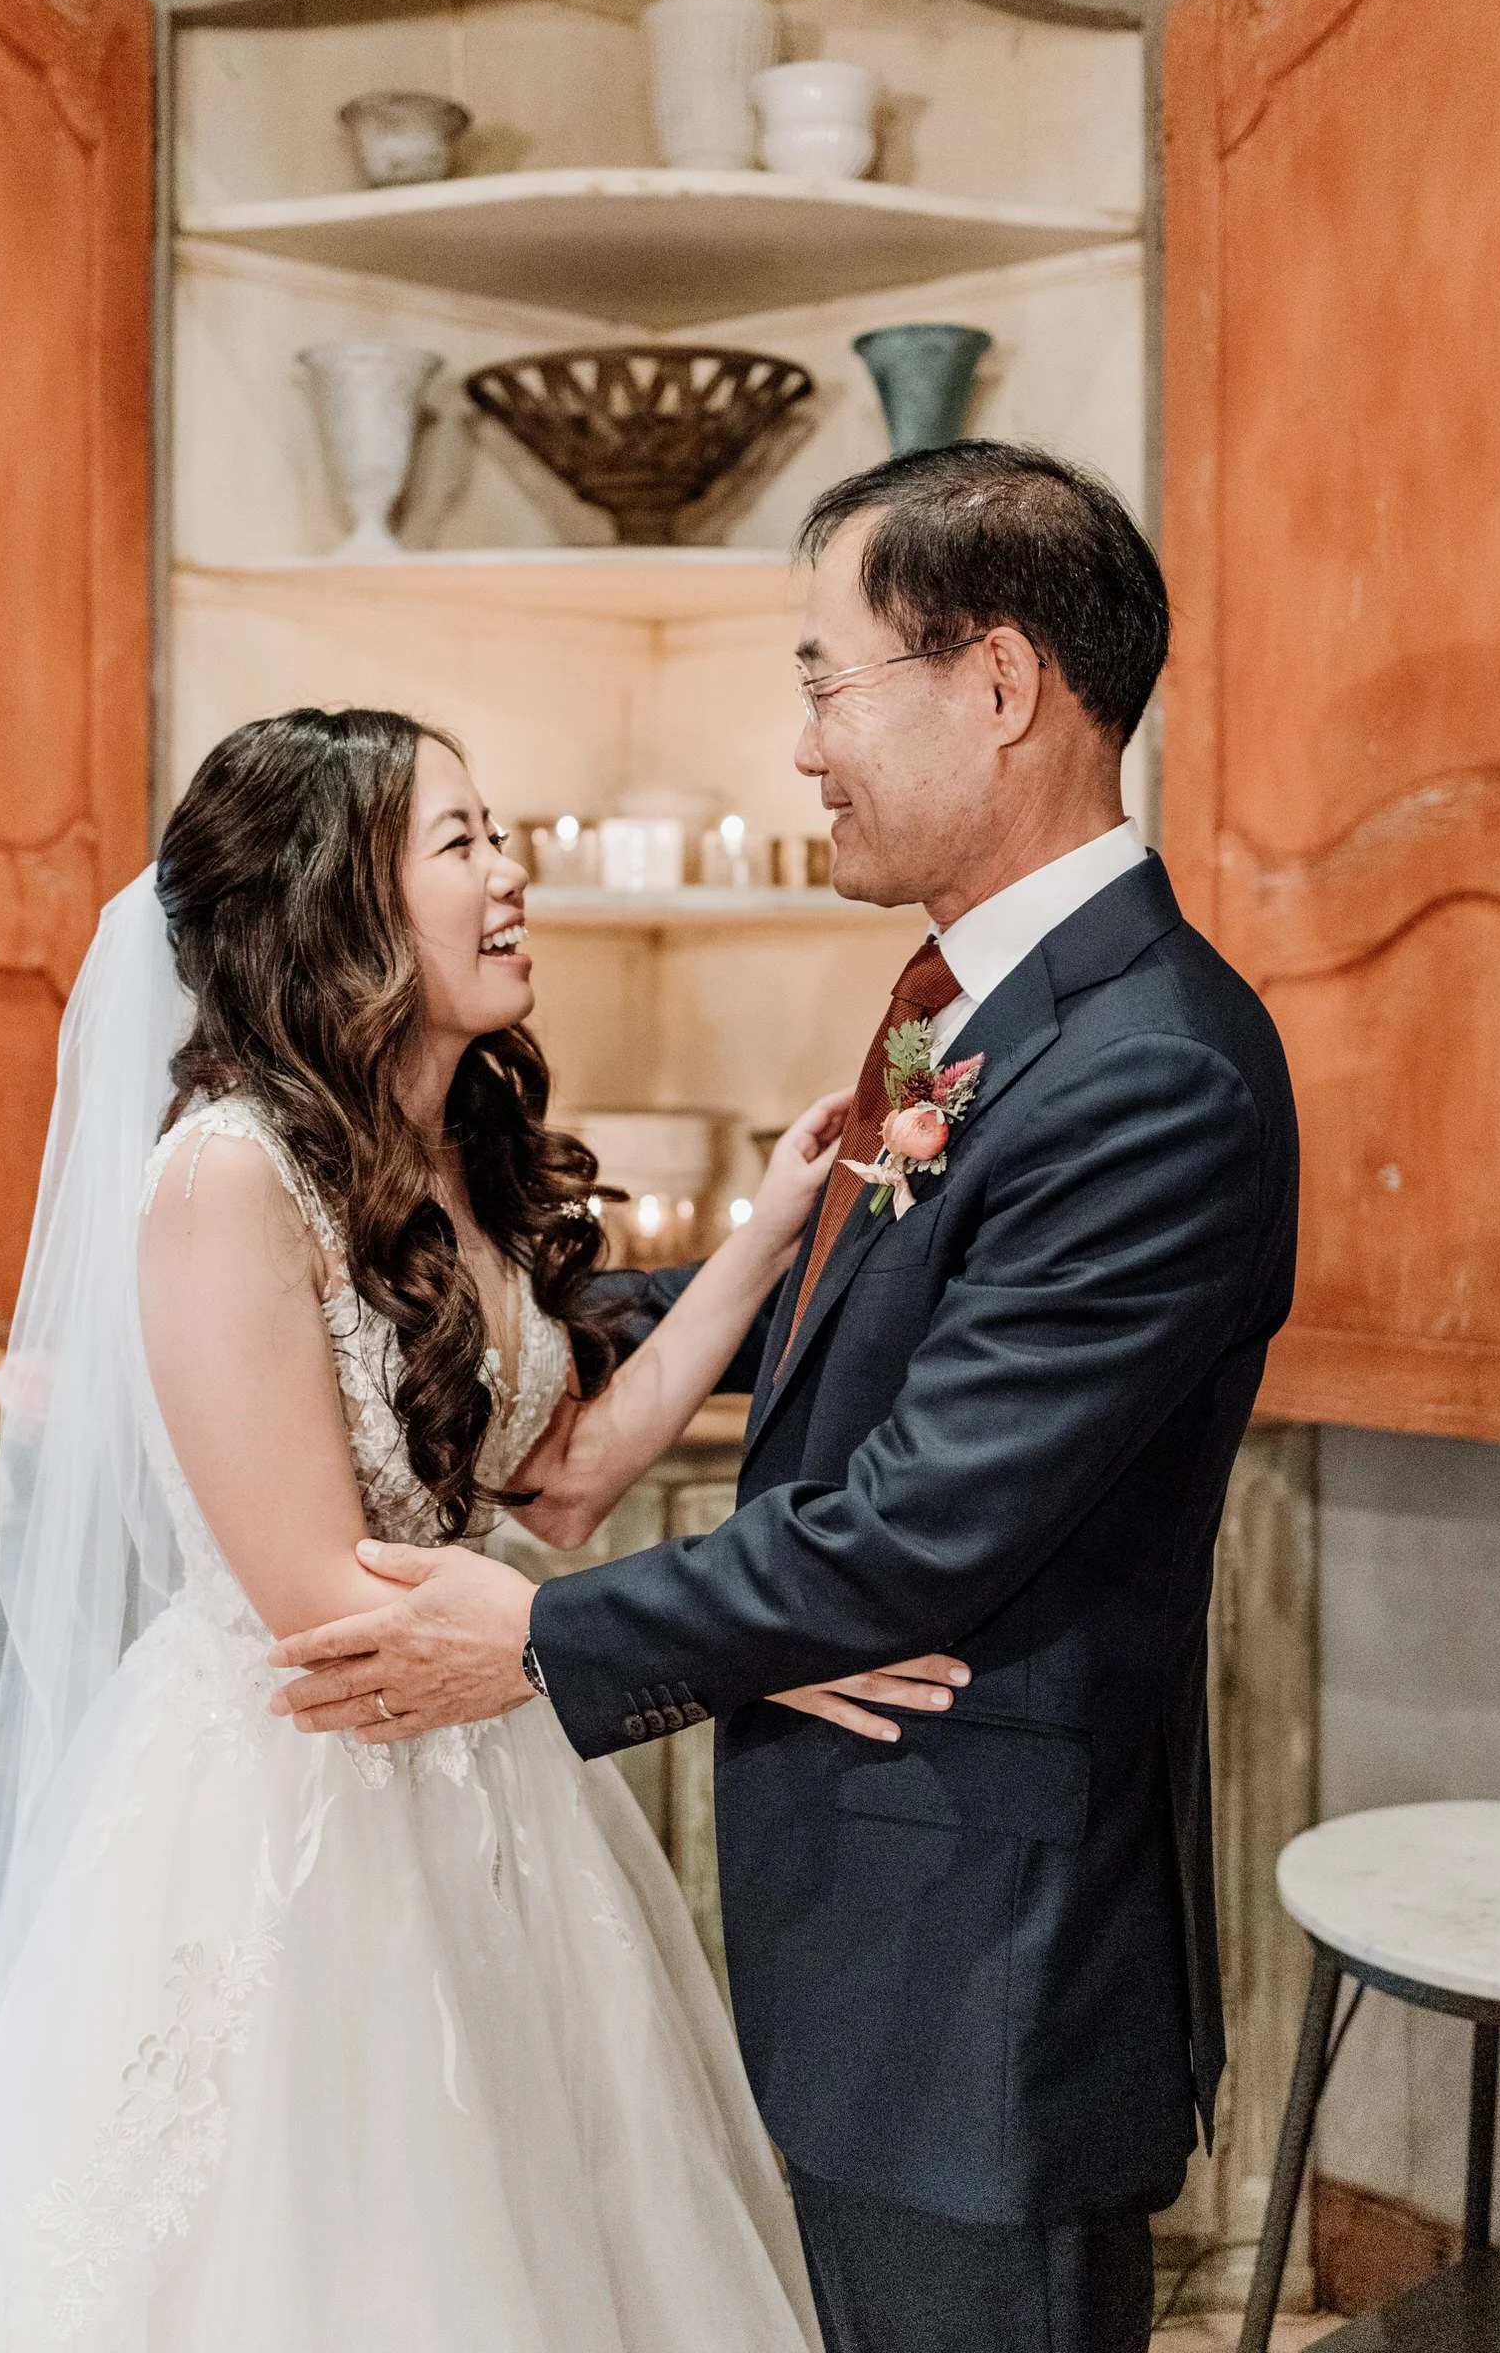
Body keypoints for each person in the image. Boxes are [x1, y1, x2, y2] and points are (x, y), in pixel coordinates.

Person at [269, 443, 1303, 2353]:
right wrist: (476, 1326)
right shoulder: (979, 1009)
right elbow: (868, 1311)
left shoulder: (1154, 1072)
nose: (803, 746)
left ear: (998, 688)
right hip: (882, 1922)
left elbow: (922, 1524)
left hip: (988, 1966)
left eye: (825, 680)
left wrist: (541, 1638)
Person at [0, 705, 965, 2353]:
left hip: (482, 1762)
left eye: (500, 837)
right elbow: (321, 1602)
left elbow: (561, 1471)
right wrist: (754, 1653)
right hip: (300, 1804)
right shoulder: (227, 1179)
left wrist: (777, 1225)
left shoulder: (437, 1158)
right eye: (462, 844)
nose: (513, 879)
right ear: (337, 900)